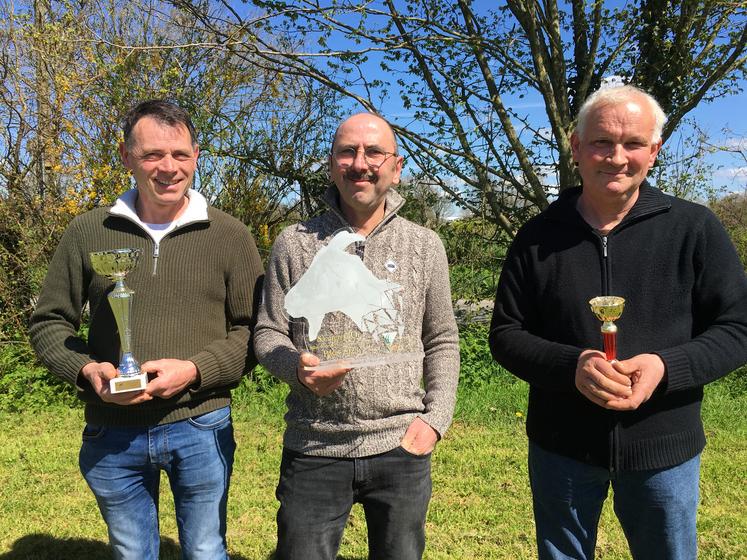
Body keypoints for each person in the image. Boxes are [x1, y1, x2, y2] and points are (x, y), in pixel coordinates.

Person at [489, 84, 747, 560]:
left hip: (664, 449)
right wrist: (572, 365)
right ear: (576, 146)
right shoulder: (537, 236)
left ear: (654, 151)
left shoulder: (694, 228)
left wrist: (665, 368)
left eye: (633, 143)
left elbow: (737, 329)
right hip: (561, 447)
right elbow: (506, 334)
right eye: (602, 142)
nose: (617, 157)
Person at [29, 99, 264, 560]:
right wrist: (87, 371)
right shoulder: (88, 231)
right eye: (152, 154)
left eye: (180, 154)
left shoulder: (230, 235)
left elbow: (253, 330)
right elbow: (49, 322)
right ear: (126, 157)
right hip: (112, 428)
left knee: (206, 549)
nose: (168, 168)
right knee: (131, 551)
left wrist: (195, 370)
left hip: (202, 422)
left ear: (196, 156)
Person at [254, 112, 460, 560]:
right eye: (347, 152)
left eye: (374, 152)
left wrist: (435, 420)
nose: (360, 163)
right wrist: (296, 369)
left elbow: (442, 338)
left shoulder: (425, 245)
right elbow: (268, 331)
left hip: (401, 444)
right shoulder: (294, 242)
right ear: (332, 165)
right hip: (315, 443)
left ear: (396, 167)